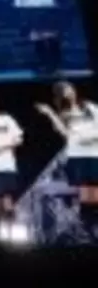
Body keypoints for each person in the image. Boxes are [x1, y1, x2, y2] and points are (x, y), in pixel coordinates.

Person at [36, 81, 98, 231]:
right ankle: (88, 224)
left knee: (95, 189)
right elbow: (64, 133)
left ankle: (91, 220)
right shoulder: (64, 114)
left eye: (69, 89)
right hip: (78, 153)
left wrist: (92, 138)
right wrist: (50, 114)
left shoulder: (89, 106)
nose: (68, 93)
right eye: (63, 91)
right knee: (86, 191)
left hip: (94, 151)